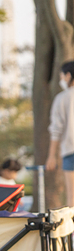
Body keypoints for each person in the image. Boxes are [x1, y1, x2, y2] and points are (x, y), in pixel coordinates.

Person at [46, 61, 74, 207]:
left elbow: (56, 130)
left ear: (68, 75)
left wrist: (51, 156)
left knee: (72, 196)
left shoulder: (62, 98)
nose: (61, 79)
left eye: (62, 76)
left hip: (70, 151)